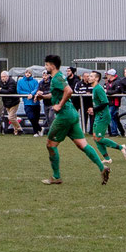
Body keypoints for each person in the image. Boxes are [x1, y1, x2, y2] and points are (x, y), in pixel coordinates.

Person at [38, 55, 109, 184]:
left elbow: (68, 91)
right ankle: (102, 167)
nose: (45, 67)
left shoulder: (56, 78)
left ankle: (56, 176)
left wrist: (59, 105)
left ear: (52, 65)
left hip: (64, 115)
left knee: (50, 145)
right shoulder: (59, 77)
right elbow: (57, 94)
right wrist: (43, 96)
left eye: (46, 65)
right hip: (72, 113)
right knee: (83, 145)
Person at [85, 69, 126, 160]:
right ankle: (107, 159)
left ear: (96, 79)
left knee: (99, 138)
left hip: (103, 116)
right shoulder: (95, 89)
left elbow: (105, 103)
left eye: (91, 76)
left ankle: (121, 147)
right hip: (98, 115)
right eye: (89, 76)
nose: (89, 77)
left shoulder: (98, 89)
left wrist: (94, 109)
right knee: (95, 137)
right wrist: (93, 110)